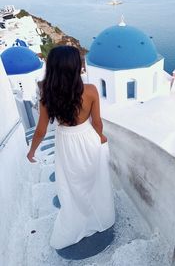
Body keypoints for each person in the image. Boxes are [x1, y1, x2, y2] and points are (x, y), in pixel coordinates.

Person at [27, 45, 115, 249]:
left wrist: (32, 151)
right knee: (93, 180)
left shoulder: (46, 95)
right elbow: (97, 122)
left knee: (72, 185)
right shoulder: (91, 90)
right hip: (88, 139)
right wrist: (100, 137)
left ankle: (77, 219)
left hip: (66, 142)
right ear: (76, 67)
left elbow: (40, 130)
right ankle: (98, 215)